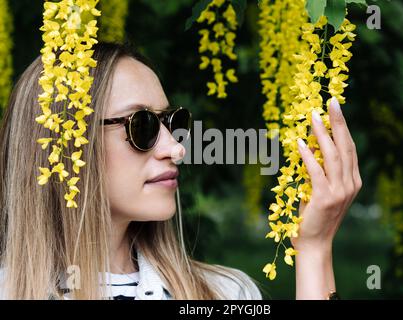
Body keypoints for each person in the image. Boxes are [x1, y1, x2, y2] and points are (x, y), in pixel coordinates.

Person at [0, 42, 362, 300]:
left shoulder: (225, 293)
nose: (176, 148)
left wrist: (314, 251)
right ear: (63, 144)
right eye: (141, 125)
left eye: (174, 122)